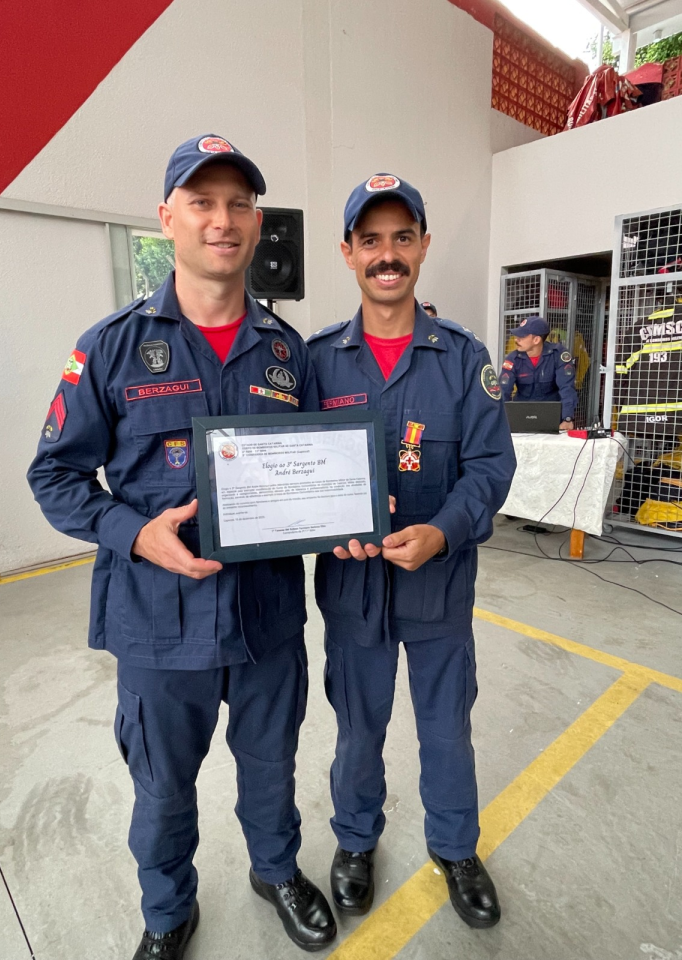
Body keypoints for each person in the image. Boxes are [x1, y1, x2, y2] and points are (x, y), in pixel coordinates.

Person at [27, 134, 336, 960]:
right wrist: (134, 534)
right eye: (202, 202)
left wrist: (346, 513)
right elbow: (53, 475)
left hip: (267, 619)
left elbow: (315, 470)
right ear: (167, 218)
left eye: (238, 204)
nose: (221, 220)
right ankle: (167, 912)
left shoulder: (288, 353)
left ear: (258, 221)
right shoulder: (110, 347)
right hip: (159, 627)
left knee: (271, 765)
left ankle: (275, 871)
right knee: (162, 788)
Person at [307, 173, 516, 929]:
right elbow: (291, 467)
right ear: (348, 252)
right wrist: (321, 523)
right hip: (352, 588)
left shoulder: (463, 357)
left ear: (423, 246)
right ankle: (355, 841)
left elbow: (491, 467)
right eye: (371, 240)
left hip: (439, 588)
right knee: (357, 730)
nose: (386, 255)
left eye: (401, 237)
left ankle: (455, 848)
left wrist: (443, 532)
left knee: (446, 729)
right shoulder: (317, 361)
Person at [500, 316, 577, 430]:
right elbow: (503, 391)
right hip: (521, 417)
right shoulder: (513, 359)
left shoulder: (557, 355)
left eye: (522, 336)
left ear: (536, 340)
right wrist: (499, 422)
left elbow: (567, 388)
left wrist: (567, 419)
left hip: (551, 418)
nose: (516, 340)